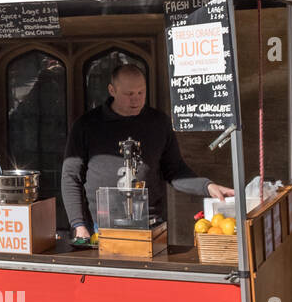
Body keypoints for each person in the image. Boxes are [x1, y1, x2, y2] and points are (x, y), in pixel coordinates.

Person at [62, 62, 234, 238]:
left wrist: (207, 186)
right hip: (101, 225)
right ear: (112, 90)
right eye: (129, 94)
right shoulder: (87, 125)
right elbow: (70, 177)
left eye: (140, 92)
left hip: (150, 223)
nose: (136, 99)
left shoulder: (158, 123)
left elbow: (175, 170)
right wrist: (78, 224)